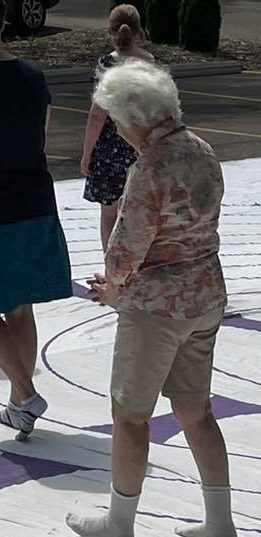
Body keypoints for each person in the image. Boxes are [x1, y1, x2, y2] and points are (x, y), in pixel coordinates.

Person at [66, 61, 236, 537]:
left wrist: (113, 288)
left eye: (117, 119)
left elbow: (128, 244)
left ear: (135, 117)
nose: (116, 130)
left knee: (131, 415)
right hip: (205, 296)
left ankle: (119, 523)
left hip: (157, 308)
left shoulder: (150, 167)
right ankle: (220, 523)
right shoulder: (202, 149)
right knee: (197, 411)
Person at [0, 0, 72, 440]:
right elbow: (40, 135)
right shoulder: (31, 74)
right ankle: (18, 407)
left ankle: (25, 395)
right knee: (18, 305)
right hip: (32, 197)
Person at [81, 4, 154, 252]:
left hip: (109, 147)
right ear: (138, 30)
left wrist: (87, 154)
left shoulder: (106, 64)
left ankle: (111, 267)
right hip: (139, 144)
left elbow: (97, 115)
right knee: (136, 212)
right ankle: (134, 265)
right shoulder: (148, 62)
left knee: (109, 214)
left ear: (111, 30)